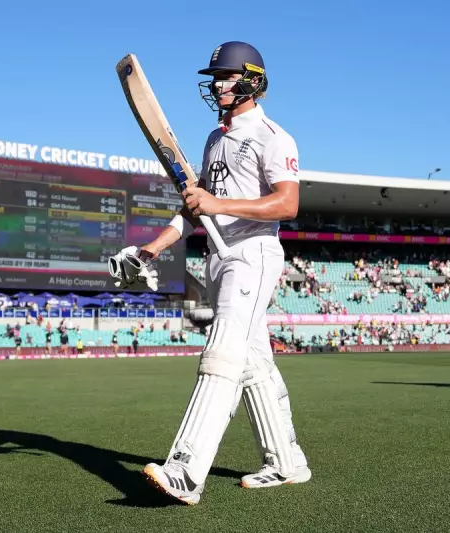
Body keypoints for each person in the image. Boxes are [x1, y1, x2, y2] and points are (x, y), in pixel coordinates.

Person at [109, 41, 310, 505]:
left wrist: (219, 204)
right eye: (215, 77)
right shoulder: (215, 139)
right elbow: (195, 208)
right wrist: (149, 250)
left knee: (221, 354)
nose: (217, 84)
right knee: (254, 362)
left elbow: (288, 203)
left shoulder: (273, 136)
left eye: (226, 76)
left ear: (252, 80)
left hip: (253, 255)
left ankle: (185, 470)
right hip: (219, 258)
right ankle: (285, 461)